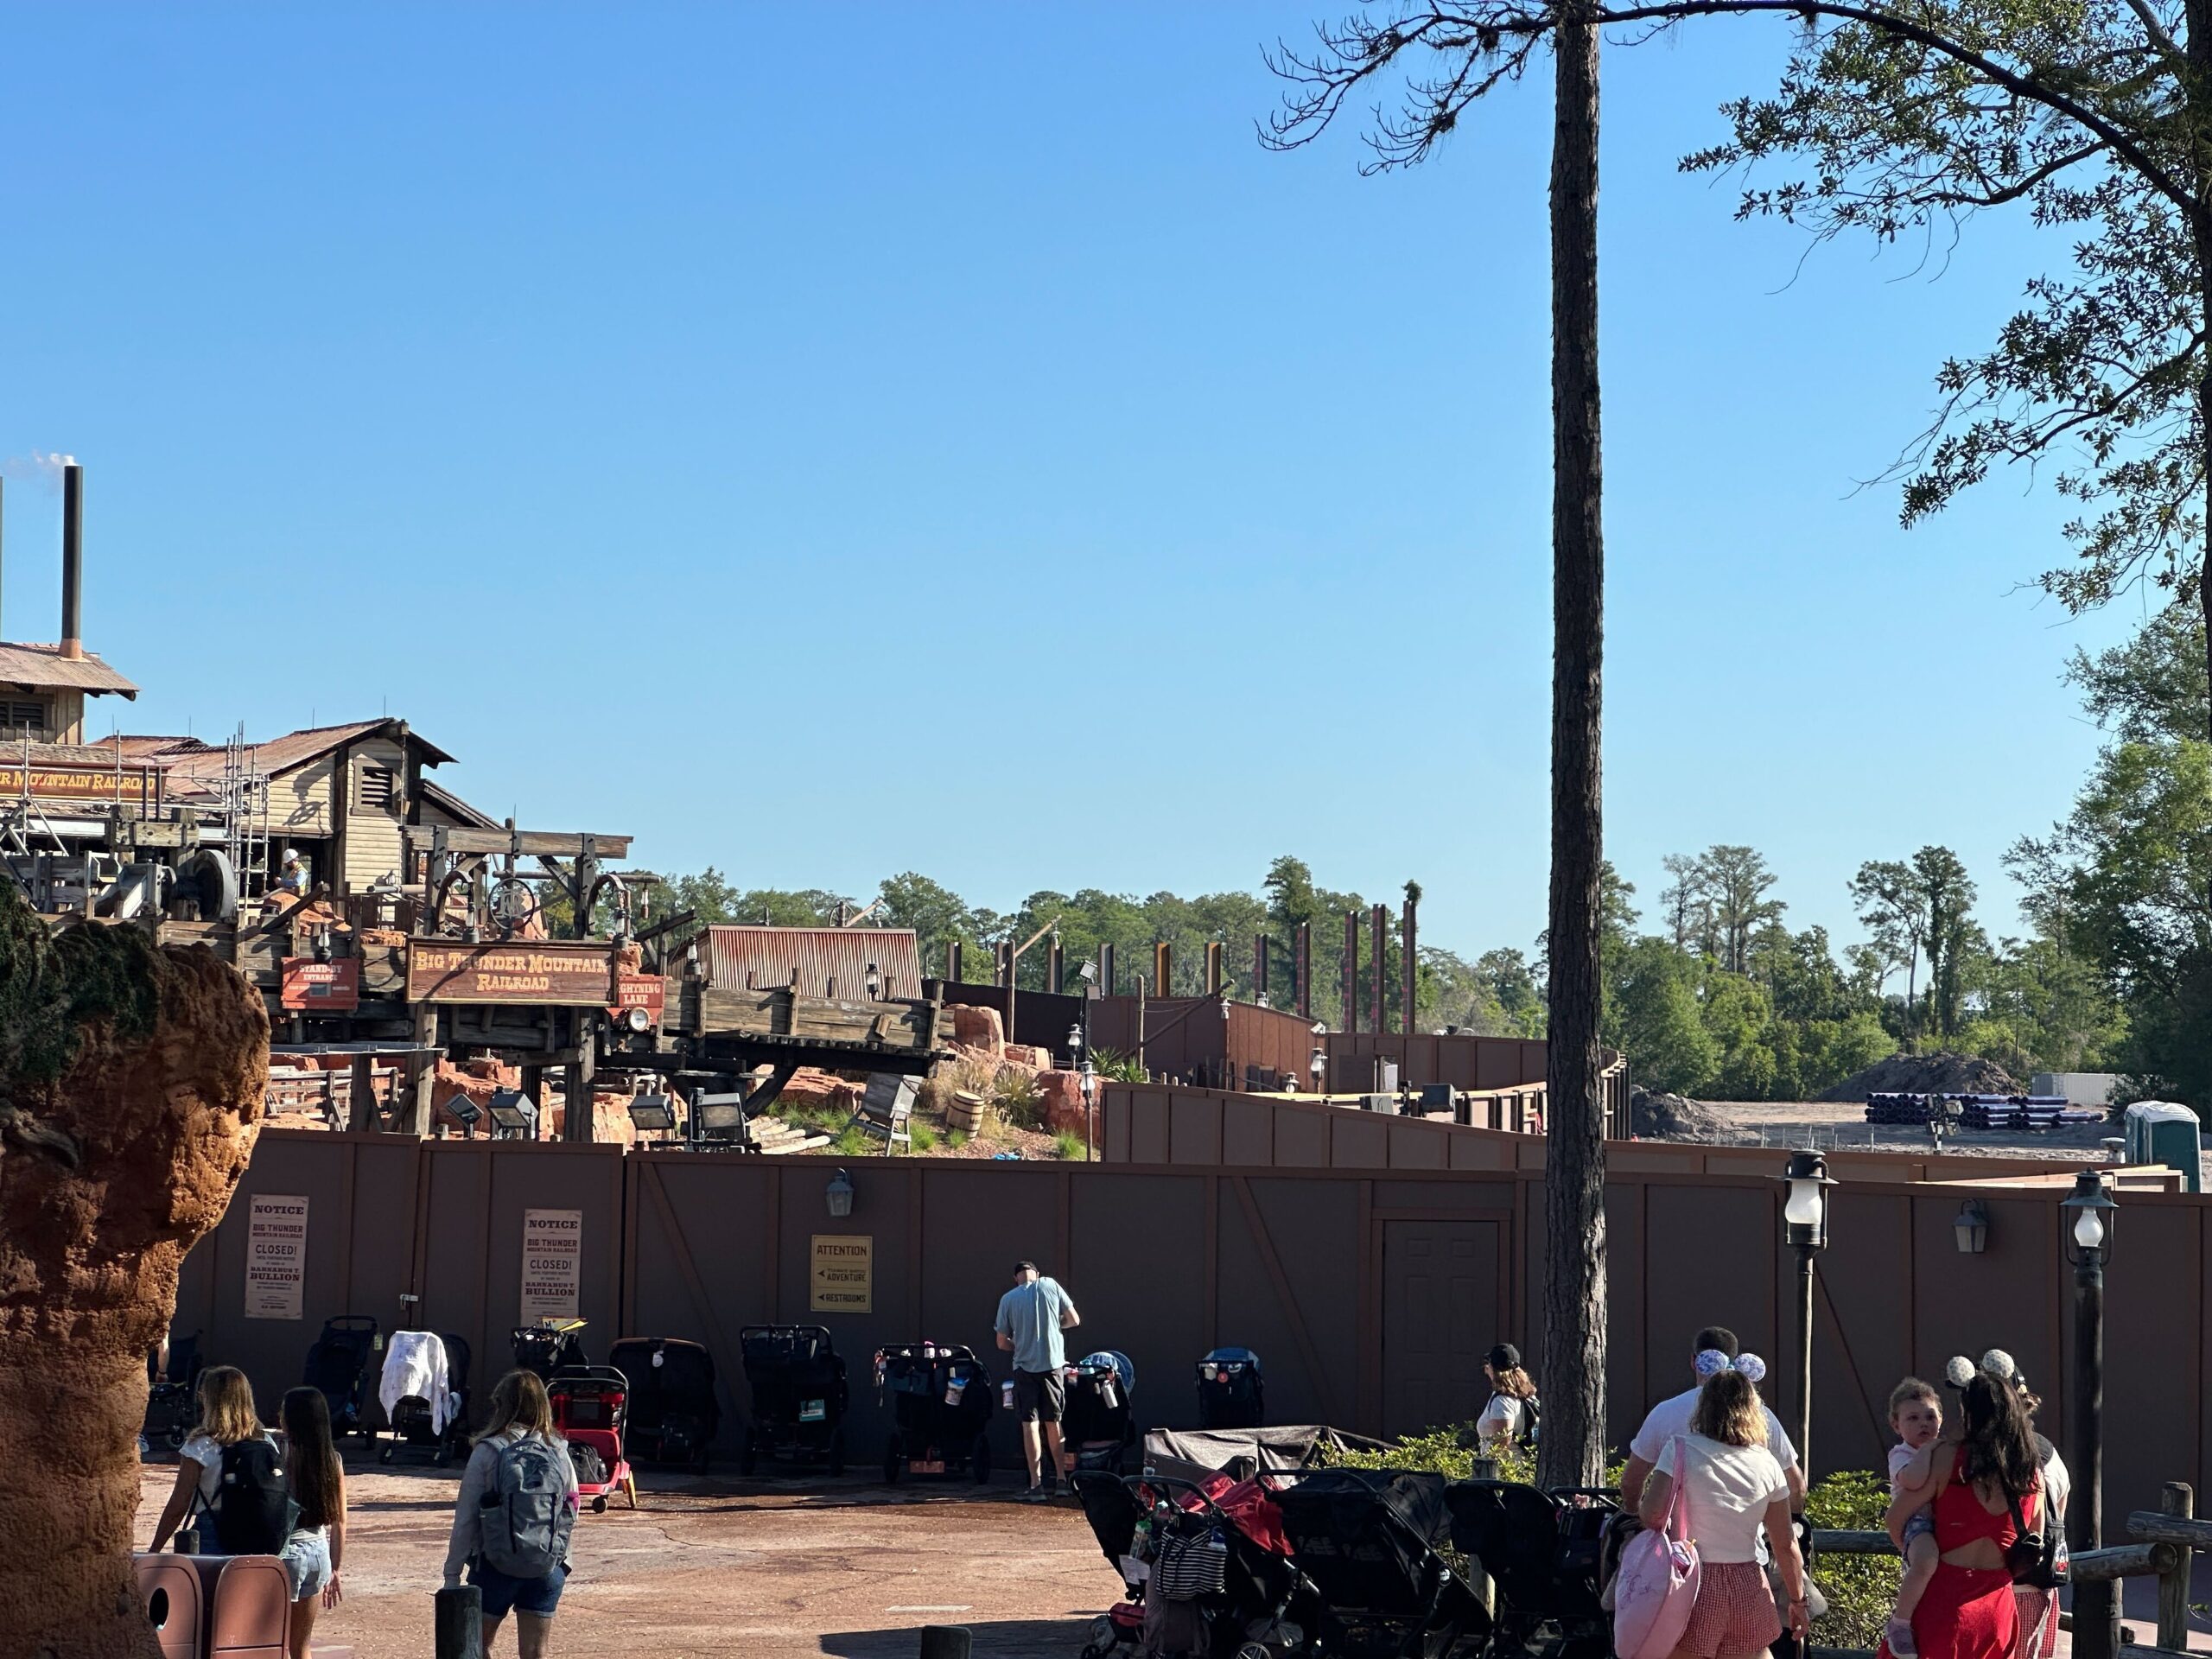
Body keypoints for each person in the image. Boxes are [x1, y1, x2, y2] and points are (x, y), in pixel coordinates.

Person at [1637, 1363, 1811, 1658]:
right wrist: (1798, 1601)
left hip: (1691, 1581)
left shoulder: (1679, 1449)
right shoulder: (1767, 1463)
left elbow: (1652, 1514)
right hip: (1748, 1581)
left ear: (1703, 1408)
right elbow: (1785, 1544)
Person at [1882, 1367, 2044, 1659]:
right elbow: (2036, 1537)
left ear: (1969, 1413)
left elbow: (1895, 1518)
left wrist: (1915, 1553)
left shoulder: (1948, 1457)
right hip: (1998, 1607)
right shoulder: (2031, 1473)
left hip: (1944, 1603)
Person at [444, 1370, 580, 1658]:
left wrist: (452, 1575)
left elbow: (466, 1519)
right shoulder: (559, 1450)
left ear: (501, 1405)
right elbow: (572, 1509)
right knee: (535, 1652)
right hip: (546, 1566)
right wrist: (561, 1559)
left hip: (495, 1566)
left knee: (479, 1646)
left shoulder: (488, 1451)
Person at [1621, 1326, 1806, 1514]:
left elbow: (1632, 1481)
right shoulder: (1763, 1417)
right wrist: (1791, 1523)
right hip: (1747, 1529)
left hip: (1680, 1530)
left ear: (1695, 1361)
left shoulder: (1666, 1415)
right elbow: (1795, 1486)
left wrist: (1634, 1517)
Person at [149, 1365, 281, 1554]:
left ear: (210, 1400)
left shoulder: (200, 1445)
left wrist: (155, 1549)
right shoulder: (265, 1441)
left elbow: (179, 1504)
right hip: (257, 1532)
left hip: (213, 1530)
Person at [994, 1259, 1081, 1500]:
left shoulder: (1008, 1299)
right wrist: (1056, 1325)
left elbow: (1001, 1342)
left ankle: (1036, 1485)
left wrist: (1019, 1344)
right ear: (1037, 1274)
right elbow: (1074, 1320)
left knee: (1029, 1424)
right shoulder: (1051, 1285)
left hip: (1024, 1369)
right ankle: (1061, 1480)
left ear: (1016, 1278)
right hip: (1053, 1366)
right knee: (1054, 1422)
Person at [276, 1387, 346, 1659]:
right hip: (318, 1552)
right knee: (301, 1646)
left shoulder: (280, 1453)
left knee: (275, 1642)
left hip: (286, 1551)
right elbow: (340, 1521)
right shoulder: (332, 1459)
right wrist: (335, 1568)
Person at [1882, 1378, 1946, 1658]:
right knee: (1926, 1561)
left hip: (1942, 1520)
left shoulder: (1944, 1450)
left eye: (1930, 1417)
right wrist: (1930, 1450)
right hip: (1915, 1521)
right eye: (1913, 1418)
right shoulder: (1901, 1454)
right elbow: (1913, 1480)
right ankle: (1900, 1623)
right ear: (1896, 1425)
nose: (1924, 1424)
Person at [1474, 1343, 1540, 1453]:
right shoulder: (1527, 1396)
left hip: (1506, 1464)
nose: (1486, 1368)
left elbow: (1501, 1446)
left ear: (1494, 1368)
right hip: (1525, 1462)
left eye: (1489, 1363)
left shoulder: (1502, 1402)